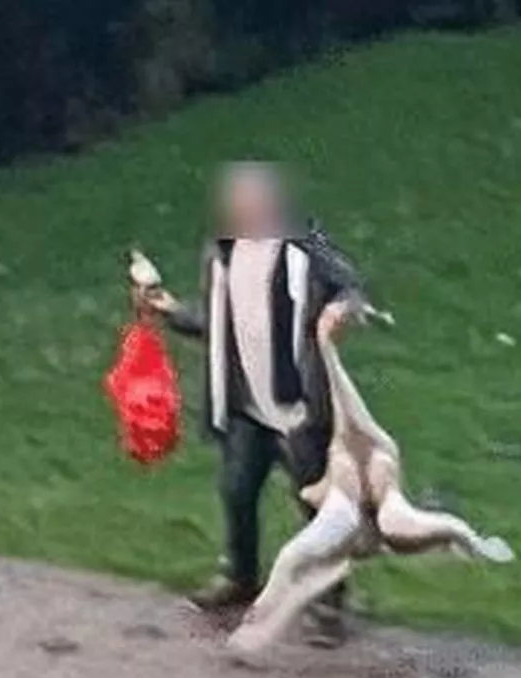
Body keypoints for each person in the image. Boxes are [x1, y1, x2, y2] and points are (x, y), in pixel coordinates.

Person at [140, 162, 367, 648]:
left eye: (253, 204)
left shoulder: (308, 245)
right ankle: (240, 577)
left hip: (297, 402)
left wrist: (339, 311)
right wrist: (171, 312)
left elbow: (351, 287)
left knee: (316, 502)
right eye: (238, 206)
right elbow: (216, 321)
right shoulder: (220, 254)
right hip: (244, 404)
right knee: (237, 490)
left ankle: (330, 602)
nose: (245, 213)